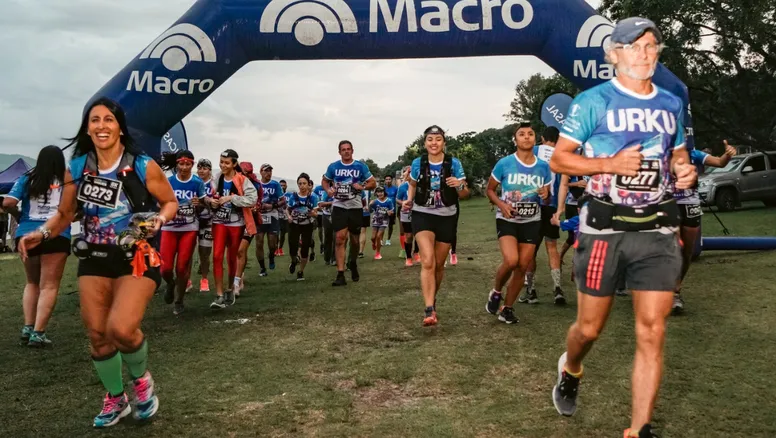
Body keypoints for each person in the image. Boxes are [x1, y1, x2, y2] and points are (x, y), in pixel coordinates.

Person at [548, 18, 697, 438]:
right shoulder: (592, 102)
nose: (645, 54)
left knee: (653, 330)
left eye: (651, 46)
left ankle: (638, 428)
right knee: (589, 328)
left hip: (657, 228)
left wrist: (683, 170)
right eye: (634, 47)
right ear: (613, 54)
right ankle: (571, 367)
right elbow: (560, 160)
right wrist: (607, 164)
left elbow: (679, 154)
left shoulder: (671, 103)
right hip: (604, 229)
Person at [19, 97, 179, 427]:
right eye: (95, 120)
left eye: (108, 119)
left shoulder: (142, 165)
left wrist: (158, 221)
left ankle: (141, 382)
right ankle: (116, 398)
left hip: (136, 256)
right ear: (87, 128)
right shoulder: (76, 167)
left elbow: (170, 203)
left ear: (120, 126)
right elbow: (65, 214)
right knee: (97, 334)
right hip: (93, 256)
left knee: (121, 328)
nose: (101, 125)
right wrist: (44, 234)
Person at [3, 145, 71, 347]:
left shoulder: (27, 178)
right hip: (56, 235)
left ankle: (28, 327)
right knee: (49, 285)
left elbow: (7, 202)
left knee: (32, 283)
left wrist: (19, 216)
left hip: (26, 233)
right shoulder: (68, 181)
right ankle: (38, 333)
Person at [485, 123, 551, 324]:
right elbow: (489, 190)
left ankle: (507, 308)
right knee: (512, 260)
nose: (526, 137)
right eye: (521, 134)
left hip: (532, 220)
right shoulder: (504, 163)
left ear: (535, 139)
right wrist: (502, 204)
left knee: (523, 265)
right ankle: (496, 292)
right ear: (515, 140)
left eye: (530, 134)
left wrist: (546, 195)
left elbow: (546, 199)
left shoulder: (543, 167)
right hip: (508, 219)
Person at [405, 125, 469, 326]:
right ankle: (429, 309)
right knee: (427, 261)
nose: (434, 143)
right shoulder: (418, 163)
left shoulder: (454, 163)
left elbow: (465, 193)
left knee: (439, 265)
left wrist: (458, 184)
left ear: (444, 143)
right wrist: (409, 199)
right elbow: (413, 184)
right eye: (430, 139)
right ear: (424, 143)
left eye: (438, 139)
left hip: (447, 216)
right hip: (422, 214)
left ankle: (433, 299)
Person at [672, 141, 736, 313]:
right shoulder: (659, 154)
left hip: (690, 204)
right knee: (675, 247)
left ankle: (676, 291)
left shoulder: (695, 154)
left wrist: (728, 154)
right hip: (667, 204)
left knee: (687, 252)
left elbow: (720, 162)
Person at [205, 150, 258, 309]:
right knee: (217, 255)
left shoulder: (242, 180)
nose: (223, 165)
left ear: (234, 164)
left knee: (232, 256)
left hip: (236, 223)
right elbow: (208, 195)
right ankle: (219, 294)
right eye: (221, 162)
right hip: (219, 221)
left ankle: (230, 288)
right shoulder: (217, 178)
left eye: (227, 162)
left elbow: (252, 199)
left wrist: (231, 198)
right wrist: (211, 202)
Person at [322, 140, 376, 286]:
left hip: (355, 206)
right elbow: (325, 181)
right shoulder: (333, 167)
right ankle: (340, 274)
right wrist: (328, 190)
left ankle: (352, 262)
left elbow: (373, 183)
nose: (346, 151)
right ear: (339, 152)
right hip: (339, 205)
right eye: (343, 149)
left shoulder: (360, 166)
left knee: (354, 240)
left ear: (352, 151)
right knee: (340, 238)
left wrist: (362, 186)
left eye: (348, 149)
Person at [521, 126, 566, 305]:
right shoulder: (561, 156)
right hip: (551, 206)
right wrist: (559, 209)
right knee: (552, 247)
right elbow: (564, 184)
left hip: (532, 204)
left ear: (541, 138)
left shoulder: (535, 150)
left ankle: (531, 291)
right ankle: (557, 288)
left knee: (530, 248)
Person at [158, 150, 206, 315]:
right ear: (176, 164)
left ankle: (179, 300)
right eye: (181, 164)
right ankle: (170, 284)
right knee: (164, 268)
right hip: (169, 229)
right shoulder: (169, 181)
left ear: (192, 165)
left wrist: (199, 203)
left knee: (182, 267)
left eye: (188, 164)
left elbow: (203, 205)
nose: (184, 167)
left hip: (189, 228)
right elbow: (160, 203)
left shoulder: (197, 182)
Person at [234, 162, 263, 296]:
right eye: (242, 172)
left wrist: (256, 208)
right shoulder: (233, 182)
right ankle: (240, 276)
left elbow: (258, 202)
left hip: (250, 221)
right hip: (235, 221)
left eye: (247, 173)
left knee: (241, 250)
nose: (244, 175)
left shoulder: (256, 185)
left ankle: (237, 281)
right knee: (237, 252)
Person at [286, 173, 320, 281]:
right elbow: (288, 209)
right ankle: (293, 260)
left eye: (304, 183)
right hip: (295, 224)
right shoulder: (293, 196)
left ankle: (301, 271)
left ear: (308, 184)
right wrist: (289, 216)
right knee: (292, 247)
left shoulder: (313, 198)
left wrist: (313, 214)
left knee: (305, 249)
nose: (302, 186)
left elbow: (316, 213)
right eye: (300, 183)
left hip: (307, 225)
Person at [256, 164, 284, 276]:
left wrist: (272, 205)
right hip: (259, 216)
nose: (268, 173)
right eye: (266, 171)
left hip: (272, 215)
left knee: (272, 244)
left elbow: (283, 201)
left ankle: (271, 256)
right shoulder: (257, 185)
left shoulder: (275, 185)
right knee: (259, 242)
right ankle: (262, 268)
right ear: (261, 172)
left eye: (270, 171)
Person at [195, 159, 216, 292]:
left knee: (205, 252)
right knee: (186, 252)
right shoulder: (194, 182)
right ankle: (187, 280)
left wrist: (202, 203)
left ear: (210, 170)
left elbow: (215, 203)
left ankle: (204, 279)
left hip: (208, 222)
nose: (201, 170)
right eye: (199, 168)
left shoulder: (213, 185)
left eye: (205, 168)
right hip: (191, 220)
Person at [395, 166, 416, 266]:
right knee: (408, 236)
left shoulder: (420, 185)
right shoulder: (403, 187)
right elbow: (397, 199)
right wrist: (403, 202)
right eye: (409, 172)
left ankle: (416, 252)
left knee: (419, 234)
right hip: (406, 213)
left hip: (418, 213)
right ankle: (408, 257)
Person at [369, 186, 394, 260]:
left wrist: (390, 212)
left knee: (379, 236)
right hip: (376, 220)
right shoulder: (375, 201)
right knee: (373, 237)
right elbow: (370, 211)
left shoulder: (388, 201)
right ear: (376, 193)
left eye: (381, 192)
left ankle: (378, 253)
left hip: (384, 221)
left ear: (384, 192)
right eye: (378, 192)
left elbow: (391, 210)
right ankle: (374, 243)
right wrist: (370, 205)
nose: (380, 194)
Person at [313, 182, 329, 258]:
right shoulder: (317, 188)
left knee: (326, 230)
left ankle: (326, 245)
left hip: (327, 212)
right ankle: (322, 243)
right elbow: (315, 198)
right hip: (319, 212)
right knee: (320, 230)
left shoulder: (330, 189)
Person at [383, 174, 398, 246]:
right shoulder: (383, 189)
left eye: (389, 179)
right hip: (383, 210)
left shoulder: (395, 189)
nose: (388, 180)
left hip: (392, 210)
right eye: (387, 179)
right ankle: (380, 239)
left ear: (391, 180)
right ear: (385, 180)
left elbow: (398, 199)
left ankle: (388, 239)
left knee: (390, 225)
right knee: (382, 225)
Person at [276, 179, 288, 257]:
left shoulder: (288, 195)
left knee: (283, 234)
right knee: (276, 233)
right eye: (281, 185)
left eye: (283, 185)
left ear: (286, 186)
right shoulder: (276, 194)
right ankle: (276, 249)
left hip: (285, 217)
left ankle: (280, 248)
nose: (282, 187)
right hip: (277, 216)